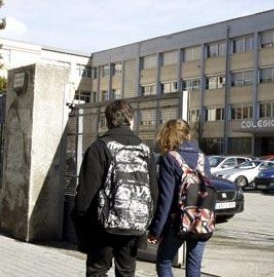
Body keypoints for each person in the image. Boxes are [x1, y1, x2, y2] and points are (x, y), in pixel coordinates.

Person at [72, 99, 158, 277]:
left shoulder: (99, 148)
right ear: (131, 120)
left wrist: (81, 227)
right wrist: (150, 222)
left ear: (108, 121)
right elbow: (153, 190)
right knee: (126, 272)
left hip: (102, 226)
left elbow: (85, 195)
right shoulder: (145, 150)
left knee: (97, 270)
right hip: (135, 224)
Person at [147, 119, 211, 277]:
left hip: (177, 223)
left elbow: (166, 199)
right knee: (194, 265)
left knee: (164, 261)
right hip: (202, 221)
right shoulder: (203, 158)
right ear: (188, 135)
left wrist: (156, 230)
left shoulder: (169, 158)